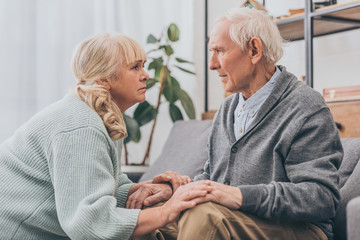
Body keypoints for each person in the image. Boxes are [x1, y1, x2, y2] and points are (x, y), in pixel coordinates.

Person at [141, 7, 343, 240]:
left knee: (205, 217)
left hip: (300, 229)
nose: (212, 64)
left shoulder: (305, 106)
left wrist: (239, 195)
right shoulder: (228, 109)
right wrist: (175, 190)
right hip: (233, 218)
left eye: (219, 51)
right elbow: (212, 179)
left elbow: (321, 197)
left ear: (254, 50)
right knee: (149, 216)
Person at [0, 33, 213, 239]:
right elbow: (88, 224)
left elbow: (104, 186)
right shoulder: (82, 127)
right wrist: (166, 212)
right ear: (103, 79)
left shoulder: (102, 115)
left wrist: (143, 189)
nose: (146, 75)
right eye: (135, 67)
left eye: (144, 66)